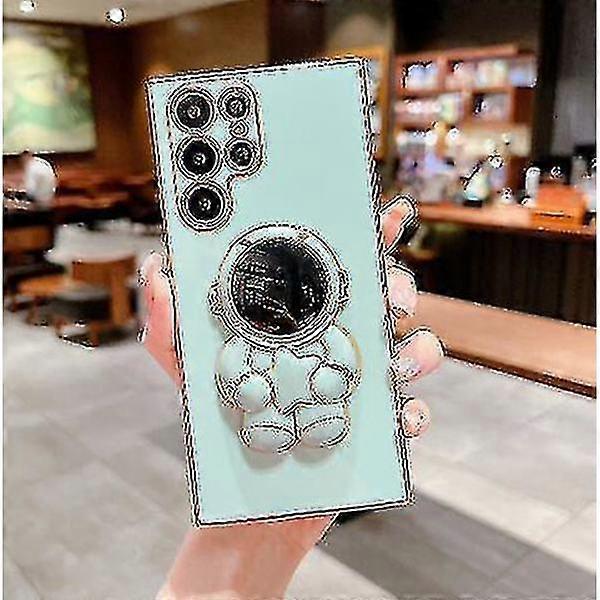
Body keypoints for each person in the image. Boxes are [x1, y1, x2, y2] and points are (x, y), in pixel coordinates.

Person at [140, 196, 443, 600]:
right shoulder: (242, 345)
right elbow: (237, 378)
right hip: (267, 416)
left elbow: (344, 367)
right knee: (267, 424)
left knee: (326, 417)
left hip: (320, 407)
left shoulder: (329, 335)